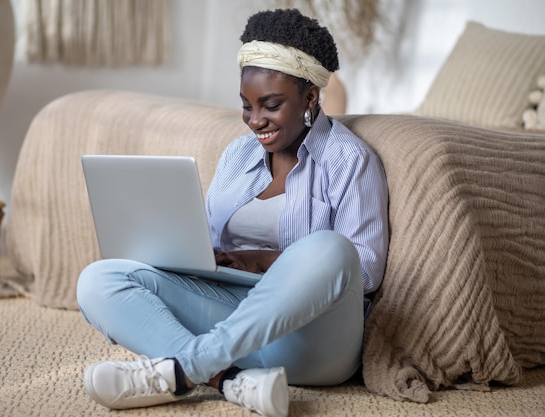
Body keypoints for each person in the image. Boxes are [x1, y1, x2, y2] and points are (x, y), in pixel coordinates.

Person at [76, 8, 388, 417]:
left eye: (271, 105)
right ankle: (232, 381)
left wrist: (258, 260)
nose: (255, 121)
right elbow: (210, 242)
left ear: (310, 97)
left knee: (331, 248)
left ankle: (184, 369)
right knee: (99, 279)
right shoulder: (238, 155)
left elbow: (364, 269)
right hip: (235, 322)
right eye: (247, 105)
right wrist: (188, 256)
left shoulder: (349, 160)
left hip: (312, 340)